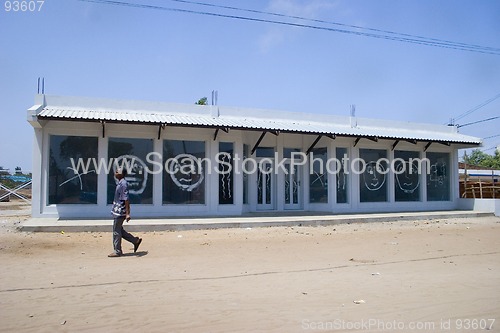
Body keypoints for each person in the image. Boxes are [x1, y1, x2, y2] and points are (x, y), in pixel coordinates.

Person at [108, 168, 142, 257]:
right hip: (117, 210)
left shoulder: (123, 184)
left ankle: (117, 251)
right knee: (119, 230)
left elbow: (126, 199)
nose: (115, 173)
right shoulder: (120, 183)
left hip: (120, 211)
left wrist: (127, 213)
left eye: (117, 172)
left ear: (121, 174)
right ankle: (135, 241)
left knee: (116, 231)